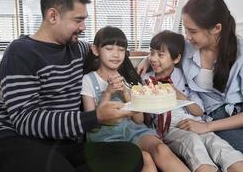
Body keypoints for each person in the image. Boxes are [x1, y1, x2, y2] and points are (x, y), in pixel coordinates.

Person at [0, 0, 144, 172]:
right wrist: (95, 117)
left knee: (130, 155)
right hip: (16, 140)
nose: (83, 27)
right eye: (78, 20)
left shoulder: (79, 48)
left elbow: (110, 51)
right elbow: (26, 121)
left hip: (62, 144)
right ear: (53, 15)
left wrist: (149, 59)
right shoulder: (21, 53)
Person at [138, 0, 243, 172]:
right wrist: (146, 59)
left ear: (216, 28)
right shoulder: (188, 49)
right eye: (185, 29)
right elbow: (164, 51)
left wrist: (207, 126)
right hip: (219, 115)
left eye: (193, 31)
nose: (187, 36)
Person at [81, 26, 190, 172]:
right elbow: (92, 124)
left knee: (160, 148)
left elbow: (139, 120)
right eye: (109, 49)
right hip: (106, 136)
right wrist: (107, 93)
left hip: (132, 130)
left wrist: (126, 93)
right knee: (145, 158)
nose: (116, 55)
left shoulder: (128, 79)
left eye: (121, 50)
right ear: (96, 50)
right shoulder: (89, 80)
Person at [142, 30, 243, 172]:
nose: (154, 58)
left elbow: (199, 111)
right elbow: (145, 119)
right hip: (167, 125)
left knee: (218, 145)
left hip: (192, 120)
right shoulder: (145, 80)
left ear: (176, 59)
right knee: (192, 141)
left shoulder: (184, 75)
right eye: (152, 53)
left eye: (160, 55)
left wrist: (178, 94)